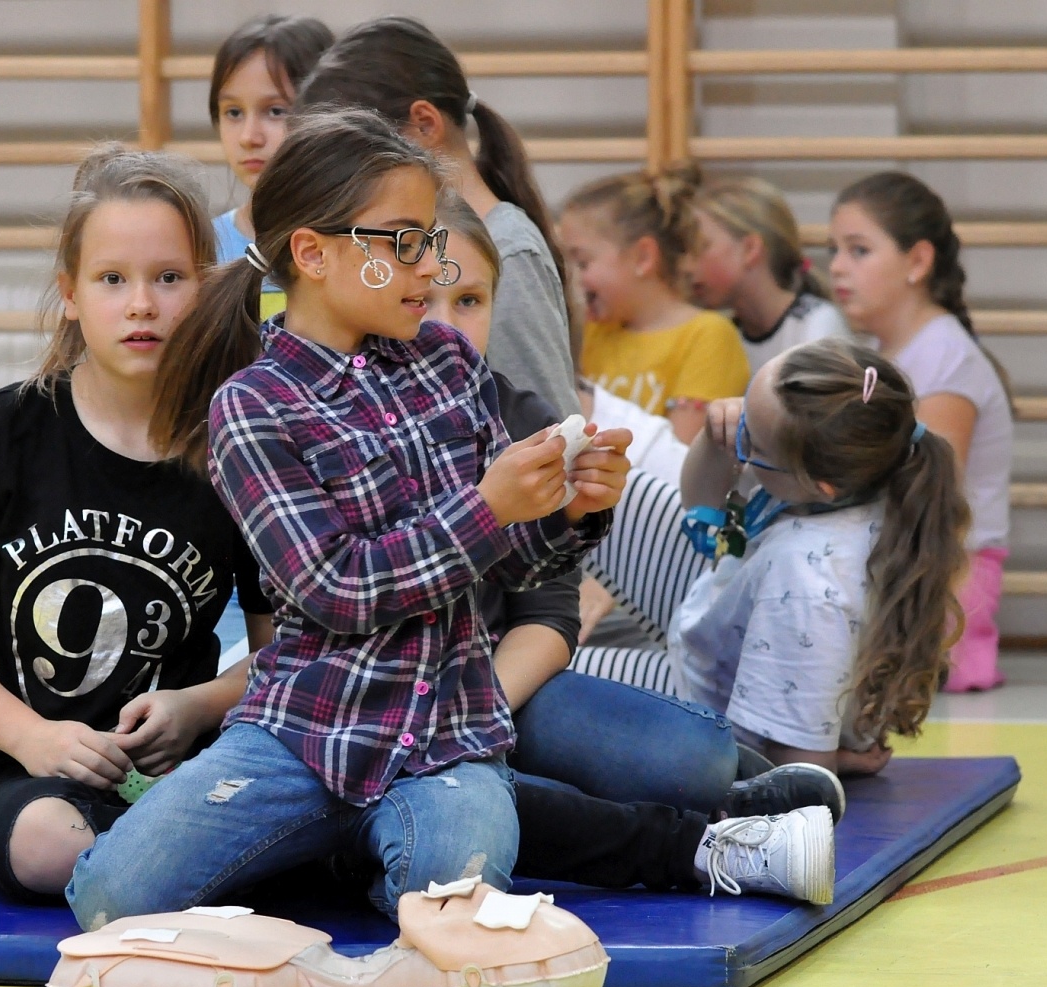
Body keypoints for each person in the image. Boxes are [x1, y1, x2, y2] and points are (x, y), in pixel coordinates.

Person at [66, 109, 633, 930]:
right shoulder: (255, 404)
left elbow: (517, 567)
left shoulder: (452, 364)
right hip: (298, 734)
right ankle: (325, 844)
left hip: (446, 738)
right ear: (312, 252)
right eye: (402, 241)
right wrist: (488, 505)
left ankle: (340, 852)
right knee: (110, 896)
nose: (429, 263)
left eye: (429, 238)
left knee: (454, 905)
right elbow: (336, 587)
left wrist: (574, 509)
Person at [0, 146, 274, 904]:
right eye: (112, 279)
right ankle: (157, 872)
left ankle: (159, 866)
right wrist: (32, 737)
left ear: (204, 286)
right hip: (31, 779)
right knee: (43, 846)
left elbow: (284, 652)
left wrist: (196, 704)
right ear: (69, 293)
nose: (141, 304)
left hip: (187, 775)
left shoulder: (239, 441)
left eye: (169, 278)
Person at [430, 195, 843, 828]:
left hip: (496, 683)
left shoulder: (523, 419)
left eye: (470, 301)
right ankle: (702, 825)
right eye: (424, 299)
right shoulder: (344, 418)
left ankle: (719, 785)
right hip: (383, 703)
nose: (448, 325)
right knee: (477, 812)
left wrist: (474, 718)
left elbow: (547, 611)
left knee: (693, 756)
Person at [563, 337, 970, 777]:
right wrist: (716, 441)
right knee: (586, 476)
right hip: (721, 610)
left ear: (819, 485)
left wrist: (835, 761)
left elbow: (796, 770)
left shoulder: (808, 586)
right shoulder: (863, 469)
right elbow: (700, 506)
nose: (737, 431)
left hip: (705, 703)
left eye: (749, 440)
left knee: (540, 681)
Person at [294, 16, 580, 419]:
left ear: (425, 124)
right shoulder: (381, 253)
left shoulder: (509, 248)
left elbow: (553, 435)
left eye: (362, 152)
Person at [829, 172, 1014, 692]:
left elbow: (935, 505)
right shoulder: (887, 355)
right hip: (902, 563)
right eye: (834, 250)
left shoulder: (944, 359)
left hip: (948, 578)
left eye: (859, 250)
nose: (838, 267)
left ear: (917, 261)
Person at [560, 166, 751, 443]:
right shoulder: (591, 333)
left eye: (583, 262)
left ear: (643, 257)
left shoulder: (707, 336)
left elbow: (680, 457)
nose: (571, 277)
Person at [207, 14, 334, 320]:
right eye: (233, 112)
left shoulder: (359, 244)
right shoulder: (204, 246)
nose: (250, 137)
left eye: (275, 111)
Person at [689, 173, 851, 375]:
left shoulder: (817, 323)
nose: (687, 265)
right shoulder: (723, 336)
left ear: (750, 249)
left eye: (702, 246)